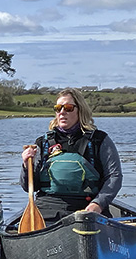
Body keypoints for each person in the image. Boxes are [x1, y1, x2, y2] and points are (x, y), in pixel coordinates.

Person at [19, 88, 123, 223]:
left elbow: (114, 176)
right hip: (46, 209)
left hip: (86, 208)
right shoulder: (42, 142)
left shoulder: (99, 140)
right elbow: (28, 187)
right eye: (58, 108)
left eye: (68, 108)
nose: (62, 112)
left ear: (80, 110)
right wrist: (26, 165)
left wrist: (98, 204)